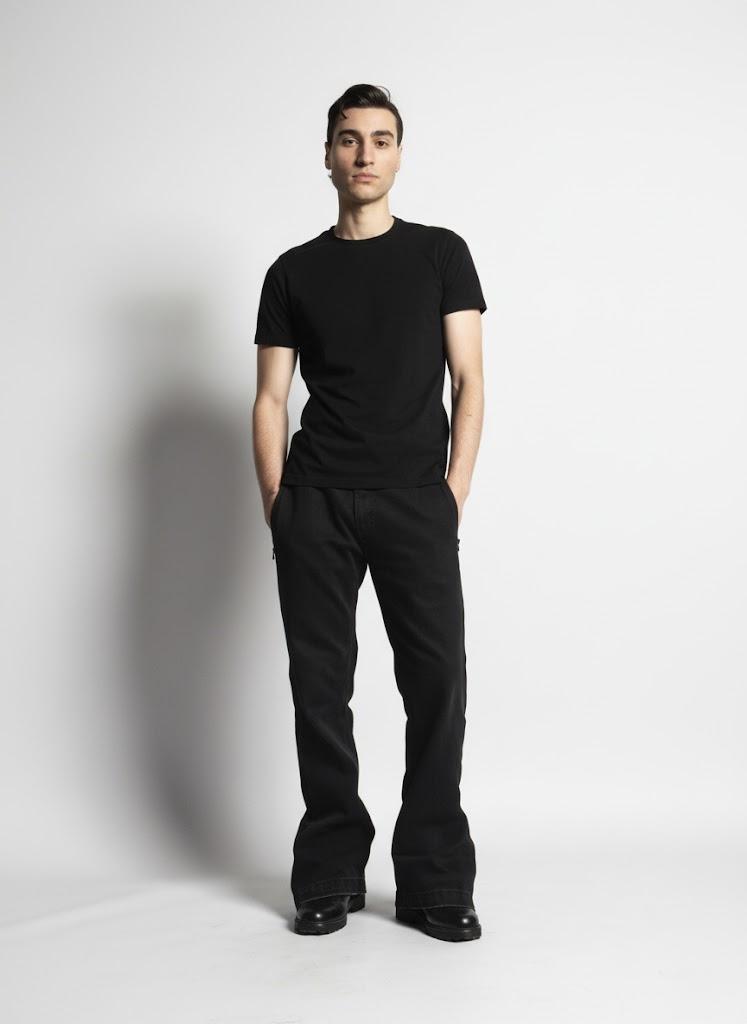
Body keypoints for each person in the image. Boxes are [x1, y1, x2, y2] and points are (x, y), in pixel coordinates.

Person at [252, 84, 487, 942]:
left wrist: (450, 492)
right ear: (327, 154)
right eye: (349, 139)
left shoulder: (440, 255)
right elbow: (270, 399)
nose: (363, 154)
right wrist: (278, 504)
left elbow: (469, 381)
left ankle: (433, 879)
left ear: (398, 155)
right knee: (320, 691)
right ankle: (328, 873)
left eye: (380, 139)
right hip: (315, 502)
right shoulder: (292, 271)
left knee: (437, 686)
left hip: (415, 500)